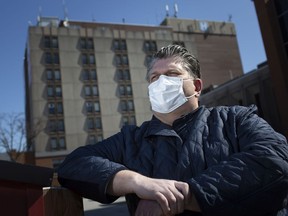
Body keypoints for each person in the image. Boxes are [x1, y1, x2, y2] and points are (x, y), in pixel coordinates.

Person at [58, 45, 288, 216]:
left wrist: (185, 195)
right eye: (154, 78)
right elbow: (74, 164)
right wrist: (137, 182)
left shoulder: (234, 119)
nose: (161, 83)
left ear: (196, 86)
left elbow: (275, 155)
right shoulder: (131, 139)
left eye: (172, 75)